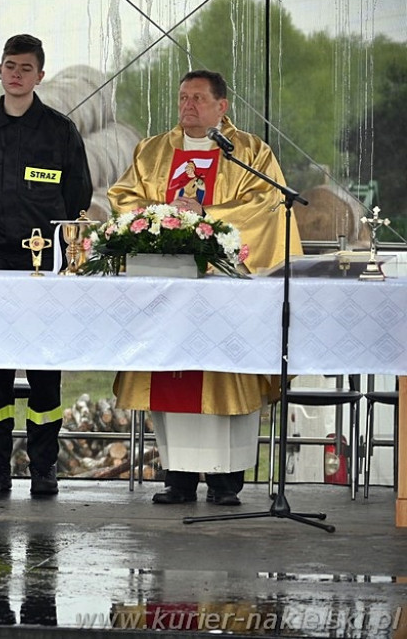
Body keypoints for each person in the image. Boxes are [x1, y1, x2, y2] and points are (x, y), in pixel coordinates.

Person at [108, 69, 303, 506]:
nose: (187, 106)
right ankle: (177, 478)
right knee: (171, 372)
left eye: (198, 98)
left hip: (224, 294)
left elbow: (268, 205)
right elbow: (123, 196)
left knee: (225, 377)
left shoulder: (250, 152)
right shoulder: (154, 150)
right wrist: (161, 212)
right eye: (182, 98)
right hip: (167, 291)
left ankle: (225, 482)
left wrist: (203, 212)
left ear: (222, 106)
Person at [0, 34, 93, 495]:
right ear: (0, 71)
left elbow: (79, 195)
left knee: (44, 370)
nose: (16, 75)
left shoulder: (60, 131)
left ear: (40, 75)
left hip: (47, 265)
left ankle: (44, 469)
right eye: (9, 66)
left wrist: (51, 241)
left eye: (25, 68)